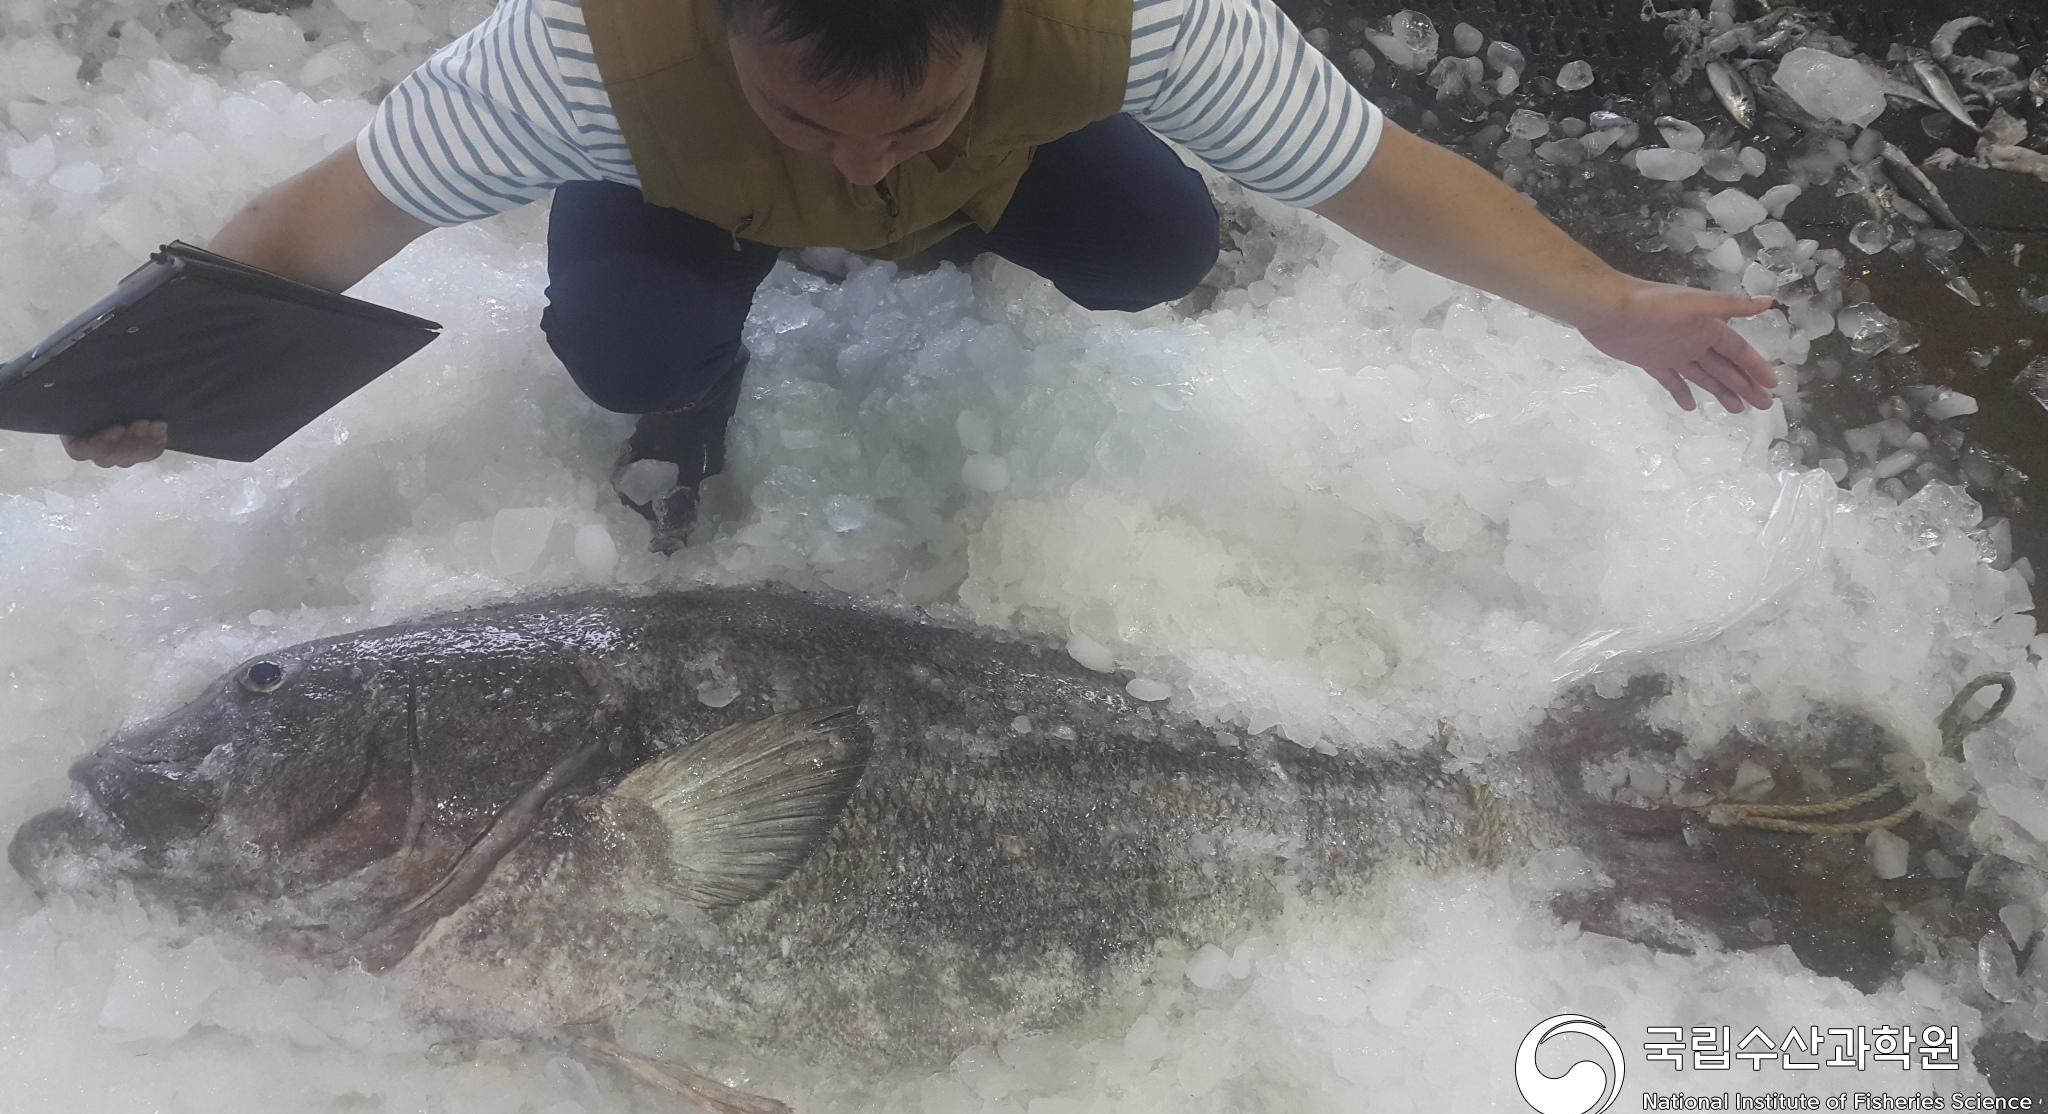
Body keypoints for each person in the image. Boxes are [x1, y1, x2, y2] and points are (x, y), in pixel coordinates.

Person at [64, 0, 1778, 553]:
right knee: (626, 339)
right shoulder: (565, 64)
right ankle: (696, 373)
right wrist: (160, 377)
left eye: (917, 115)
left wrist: (1605, 304)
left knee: (1160, 240)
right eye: (810, 115)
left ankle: (960, 204)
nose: (860, 151)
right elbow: (314, 224)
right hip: (682, 202)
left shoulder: (1141, 20)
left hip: (1009, 169)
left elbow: (1380, 175)